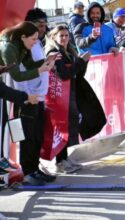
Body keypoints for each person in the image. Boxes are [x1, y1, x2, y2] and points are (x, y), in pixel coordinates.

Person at [0, 21, 55, 186]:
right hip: (17, 96)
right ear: (23, 36)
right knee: (26, 136)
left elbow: (29, 64)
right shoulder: (8, 48)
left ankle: (34, 169)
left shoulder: (23, 46)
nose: (36, 42)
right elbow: (17, 75)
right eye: (33, 39)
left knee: (37, 134)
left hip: (28, 95)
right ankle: (28, 172)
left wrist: (45, 62)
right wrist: (41, 70)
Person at [45, 25, 106, 174]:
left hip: (69, 93)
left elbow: (77, 73)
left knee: (68, 126)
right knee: (61, 127)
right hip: (59, 96)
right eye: (61, 36)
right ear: (54, 37)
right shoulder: (54, 52)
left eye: (66, 35)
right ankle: (60, 161)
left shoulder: (68, 50)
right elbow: (64, 74)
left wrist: (83, 62)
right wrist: (80, 61)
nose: (65, 38)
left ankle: (64, 159)